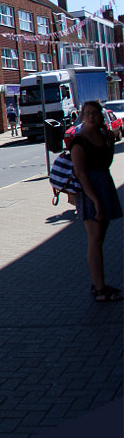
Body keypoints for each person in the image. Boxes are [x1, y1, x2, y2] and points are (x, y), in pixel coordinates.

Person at [67, 100, 121, 302]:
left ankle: (99, 284)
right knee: (95, 241)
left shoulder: (102, 136)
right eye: (87, 113)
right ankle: (99, 289)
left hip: (104, 185)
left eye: (94, 113)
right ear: (82, 116)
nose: (90, 116)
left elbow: (106, 164)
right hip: (91, 192)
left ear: (100, 116)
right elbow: (81, 173)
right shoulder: (79, 141)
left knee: (99, 239)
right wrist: (95, 200)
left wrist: (109, 142)